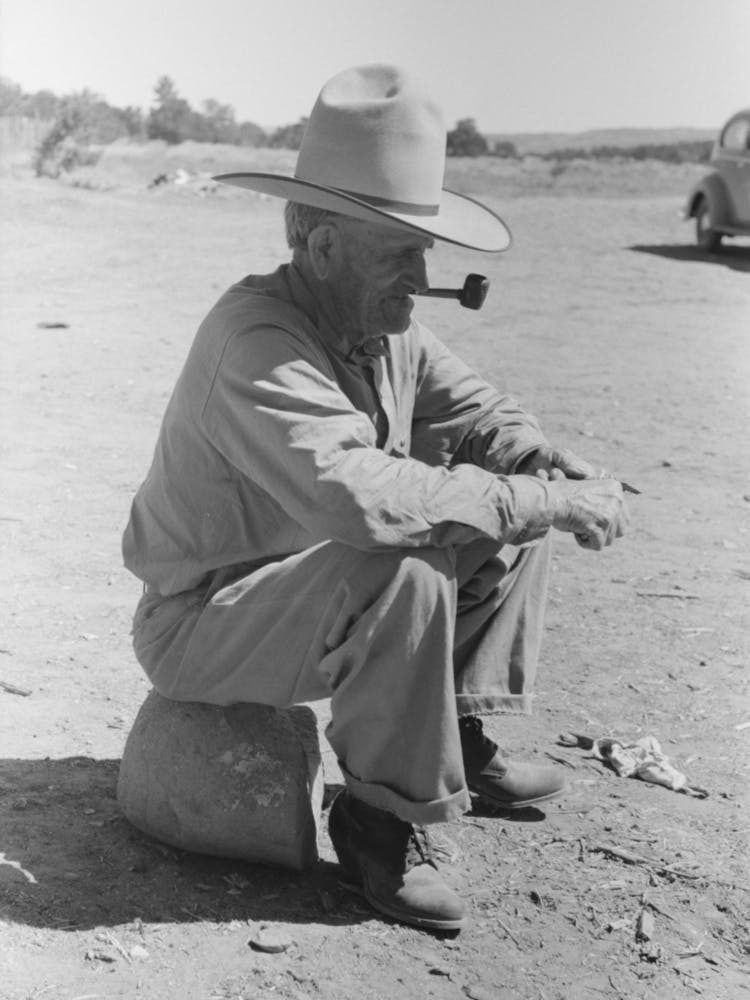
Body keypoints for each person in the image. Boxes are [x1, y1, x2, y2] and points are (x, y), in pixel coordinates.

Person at [122, 64, 628, 933]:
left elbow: (480, 415)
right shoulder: (256, 343)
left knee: (501, 511)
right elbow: (362, 505)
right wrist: (534, 498)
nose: (423, 269)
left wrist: (548, 465)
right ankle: (380, 820)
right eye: (402, 250)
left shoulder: (383, 328)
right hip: (204, 620)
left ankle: (455, 739)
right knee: (413, 561)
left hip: (303, 589)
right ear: (321, 248)